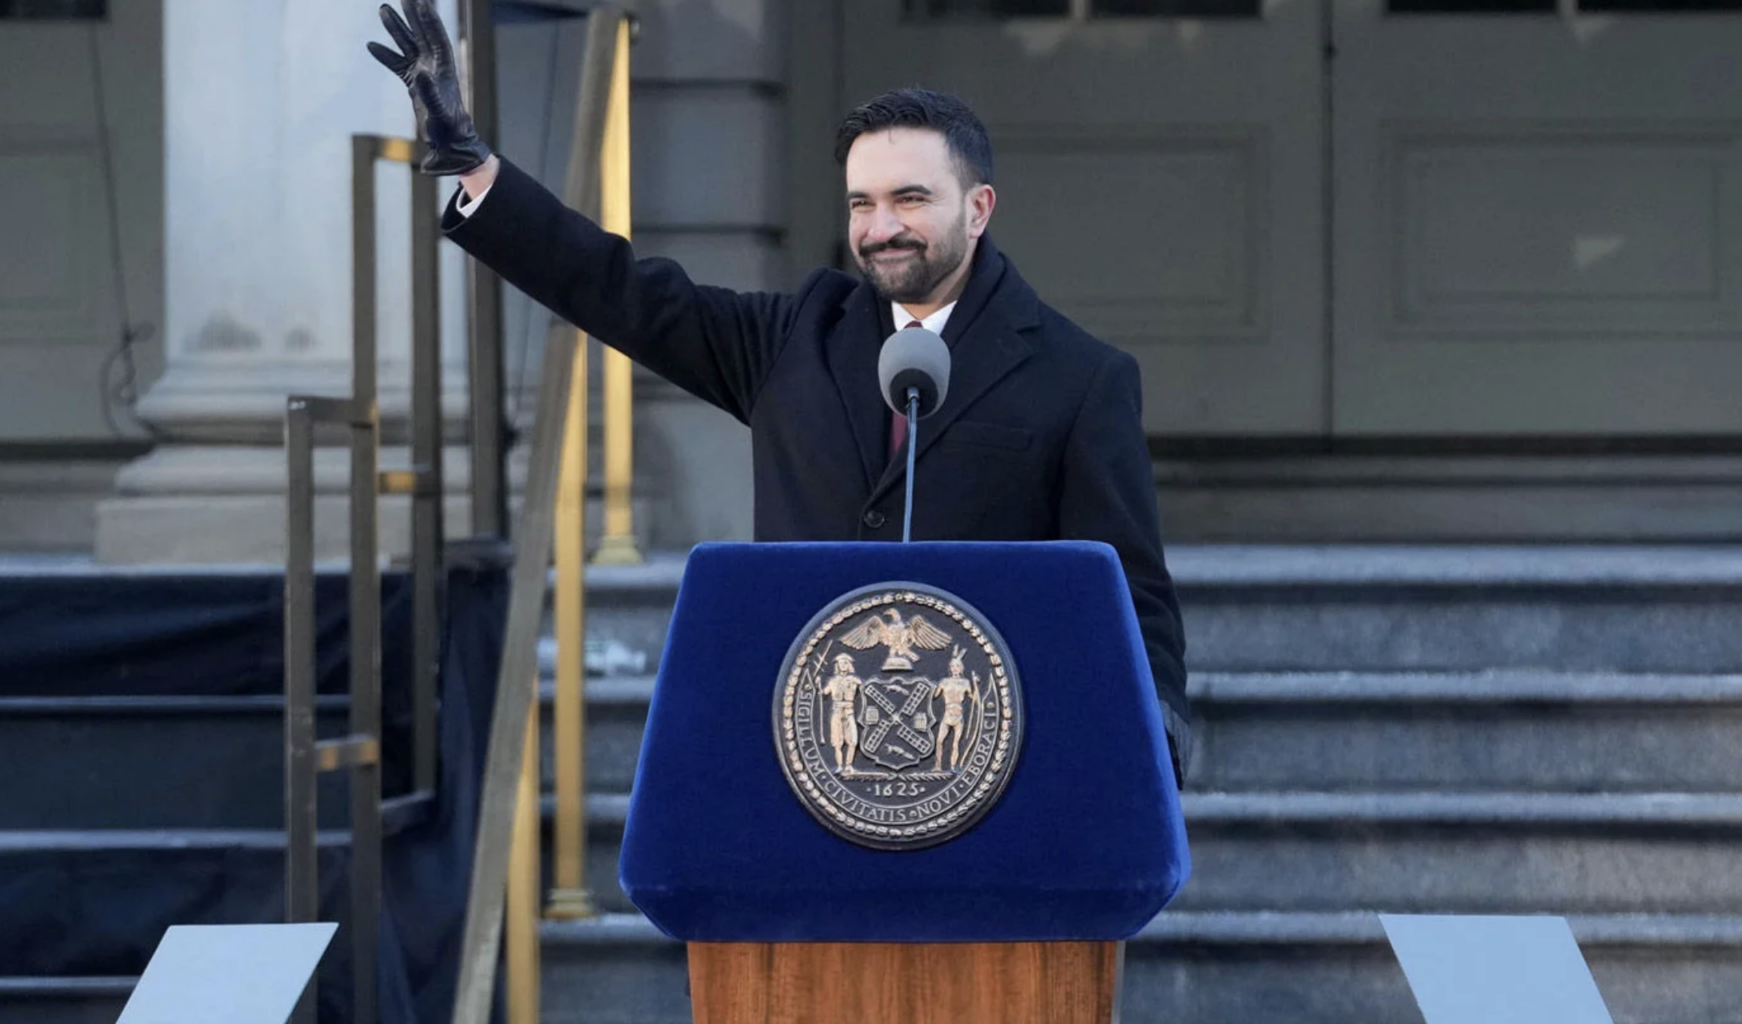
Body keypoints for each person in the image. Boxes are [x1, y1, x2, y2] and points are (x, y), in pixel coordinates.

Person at [369, 0, 1192, 787]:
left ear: (978, 209)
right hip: (806, 755)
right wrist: (480, 170)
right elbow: (619, 291)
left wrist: (1151, 735)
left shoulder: (1081, 378)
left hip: (988, 760)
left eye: (910, 198)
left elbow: (1129, 590)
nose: (881, 227)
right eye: (862, 203)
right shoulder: (799, 334)